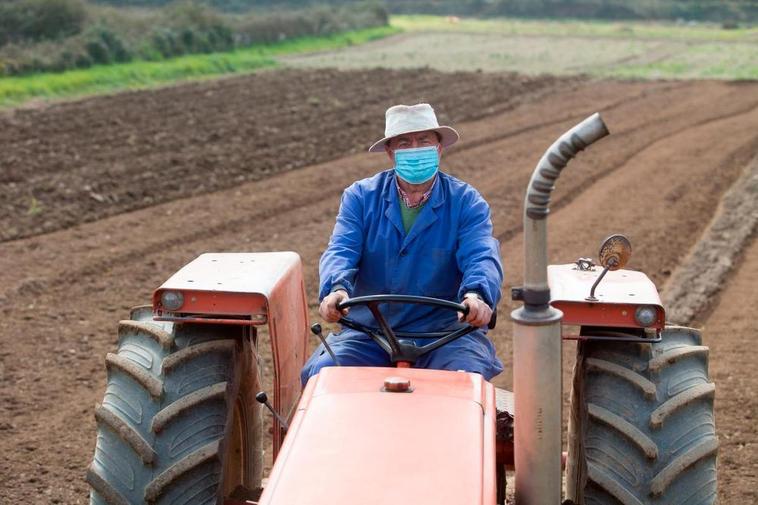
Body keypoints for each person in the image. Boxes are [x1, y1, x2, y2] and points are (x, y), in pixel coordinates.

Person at [300, 103, 504, 385]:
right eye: (404, 143)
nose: (415, 149)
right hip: (369, 331)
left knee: (465, 380)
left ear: (438, 148)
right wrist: (336, 289)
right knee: (326, 376)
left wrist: (476, 296)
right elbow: (341, 248)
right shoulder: (360, 197)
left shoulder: (466, 202)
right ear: (390, 152)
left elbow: (481, 254)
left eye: (423, 141)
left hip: (443, 332)